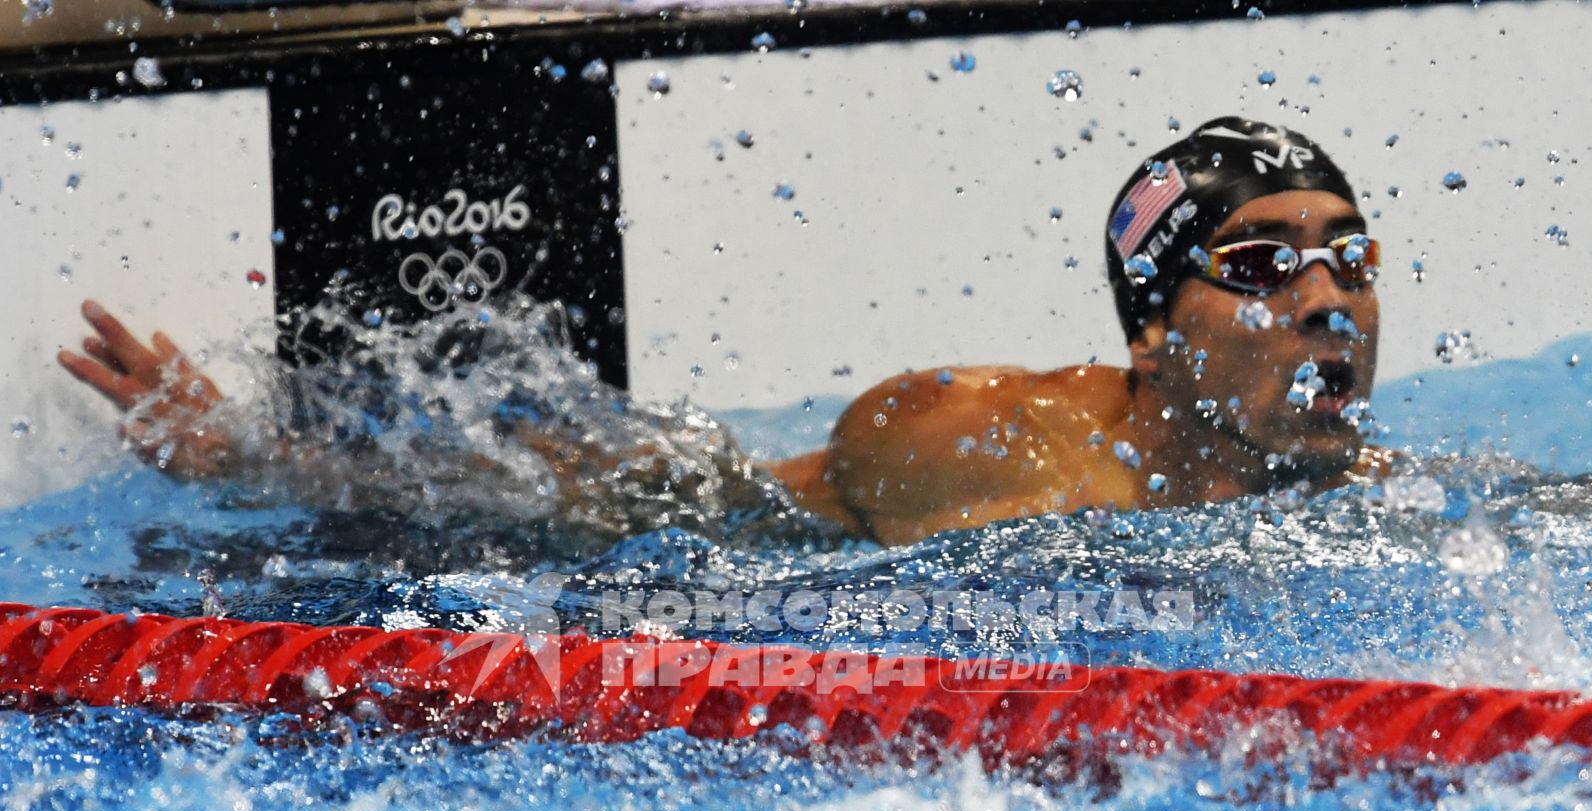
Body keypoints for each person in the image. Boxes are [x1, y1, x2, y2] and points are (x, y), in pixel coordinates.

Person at [61, 117, 1384, 547]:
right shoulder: (982, 450)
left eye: (1348, 259)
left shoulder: (1346, 480)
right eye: (1262, 265)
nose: (1326, 300)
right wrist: (257, 465)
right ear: (1152, 333)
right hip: (713, 532)